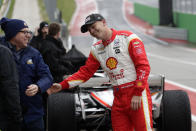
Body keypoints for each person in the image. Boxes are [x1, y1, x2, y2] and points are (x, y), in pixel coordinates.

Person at [48, 13, 153, 131]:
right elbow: (85, 72)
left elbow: (143, 66)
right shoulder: (96, 49)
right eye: (89, 30)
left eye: (93, 26)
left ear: (103, 22)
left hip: (136, 93)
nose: (92, 31)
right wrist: (62, 85)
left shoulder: (128, 38)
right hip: (118, 98)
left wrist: (138, 93)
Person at [0, 17, 53, 131]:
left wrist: (38, 86)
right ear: (12, 33)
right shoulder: (2, 52)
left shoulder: (34, 53)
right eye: (25, 32)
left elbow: (47, 77)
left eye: (29, 32)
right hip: (8, 116)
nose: (29, 35)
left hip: (33, 114)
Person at [0, 44, 22, 131]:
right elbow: (10, 87)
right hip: (4, 117)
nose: (27, 35)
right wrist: (17, 116)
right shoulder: (3, 53)